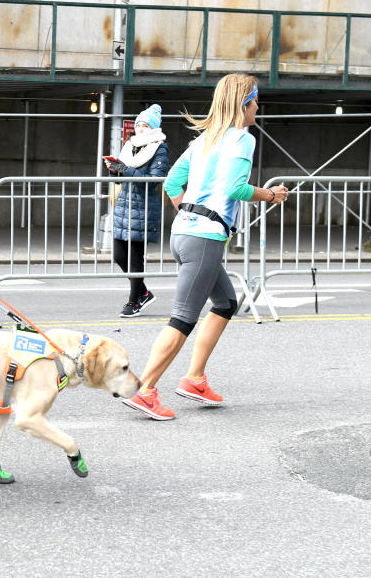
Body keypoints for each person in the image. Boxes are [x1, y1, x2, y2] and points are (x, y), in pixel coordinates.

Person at [122, 73, 289, 420]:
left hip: (185, 234)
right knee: (183, 318)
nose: (258, 107)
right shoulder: (243, 139)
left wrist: (188, 212)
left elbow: (172, 182)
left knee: (226, 302)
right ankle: (145, 391)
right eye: (256, 100)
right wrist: (270, 195)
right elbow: (235, 189)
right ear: (244, 104)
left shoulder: (204, 140)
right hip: (204, 239)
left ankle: (195, 378)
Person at [105, 103, 170, 318]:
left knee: (134, 258)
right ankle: (143, 292)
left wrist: (125, 169)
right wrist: (115, 171)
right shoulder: (130, 145)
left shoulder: (159, 147)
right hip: (125, 207)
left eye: (145, 125)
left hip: (143, 209)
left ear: (153, 128)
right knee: (118, 255)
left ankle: (134, 301)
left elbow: (153, 181)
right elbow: (121, 180)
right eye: (138, 125)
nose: (140, 129)